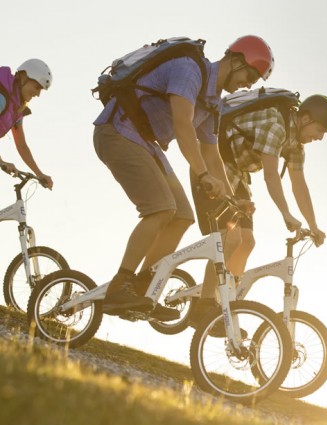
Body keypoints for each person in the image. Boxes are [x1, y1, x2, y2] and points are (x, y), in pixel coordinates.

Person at [93, 35, 274, 320]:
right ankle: (120, 285)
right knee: (162, 208)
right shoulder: (189, 69)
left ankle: (140, 288)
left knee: (183, 215)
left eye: (254, 80)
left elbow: (212, 154)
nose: (248, 84)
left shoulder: (214, 103)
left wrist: (234, 199)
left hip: (144, 144)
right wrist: (201, 174)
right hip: (117, 132)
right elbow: (182, 123)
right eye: (249, 75)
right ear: (235, 60)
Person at [189, 93, 327, 324]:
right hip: (215, 166)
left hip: (238, 175)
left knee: (247, 242)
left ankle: (226, 303)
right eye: (320, 130)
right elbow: (271, 175)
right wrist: (286, 214)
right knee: (230, 238)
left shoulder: (295, 145)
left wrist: (313, 225)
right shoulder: (276, 125)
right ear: (306, 119)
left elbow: (299, 183)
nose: (319, 138)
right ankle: (204, 306)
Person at [0, 59, 53, 187]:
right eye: (37, 87)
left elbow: (22, 145)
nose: (38, 94)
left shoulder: (16, 110)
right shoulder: (2, 98)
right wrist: (1, 162)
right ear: (24, 77)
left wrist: (40, 174)